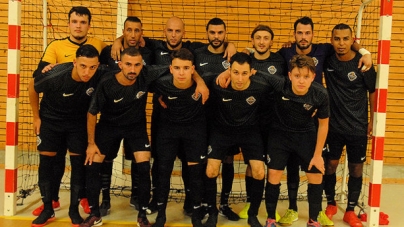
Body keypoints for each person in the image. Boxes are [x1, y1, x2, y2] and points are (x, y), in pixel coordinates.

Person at [82, 47, 208, 227]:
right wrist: (91, 143)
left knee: (143, 167)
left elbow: (184, 68)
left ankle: (142, 215)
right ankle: (94, 213)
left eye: (136, 65)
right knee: (93, 163)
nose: (132, 69)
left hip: (135, 127)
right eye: (128, 64)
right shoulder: (107, 81)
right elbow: (92, 112)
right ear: (120, 65)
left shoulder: (148, 74)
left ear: (142, 65)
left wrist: (200, 82)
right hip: (109, 126)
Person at [275, 16, 372, 226]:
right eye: (299, 33)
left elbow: (347, 44)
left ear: (313, 34)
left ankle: (318, 213)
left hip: (316, 120)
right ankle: (292, 208)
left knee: (316, 165)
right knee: (293, 167)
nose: (303, 37)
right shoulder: (285, 52)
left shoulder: (324, 50)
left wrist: (365, 52)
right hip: (289, 120)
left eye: (307, 33)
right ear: (294, 35)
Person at [30, 6, 107, 217]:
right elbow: (39, 76)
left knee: (80, 160)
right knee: (53, 161)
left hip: (79, 117)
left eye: (83, 22)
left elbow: (111, 67)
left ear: (89, 25)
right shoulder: (56, 46)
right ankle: (51, 201)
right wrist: (36, 117)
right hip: (53, 115)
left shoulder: (98, 45)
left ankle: (80, 200)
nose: (78, 26)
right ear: (69, 24)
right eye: (75, 22)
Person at [262, 54, 329, 227]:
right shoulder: (280, 84)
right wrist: (226, 73)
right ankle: (270, 219)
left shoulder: (320, 94)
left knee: (316, 176)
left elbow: (323, 126)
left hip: (306, 136)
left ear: (313, 77)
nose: (301, 81)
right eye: (297, 76)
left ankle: (313, 220)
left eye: (306, 77)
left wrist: (317, 155)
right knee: (274, 175)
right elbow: (254, 72)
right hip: (279, 136)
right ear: (290, 75)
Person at [97, 16, 153, 217]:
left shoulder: (149, 51)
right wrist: (116, 41)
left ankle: (137, 196)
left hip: (136, 119)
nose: (132, 34)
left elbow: (158, 74)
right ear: (123, 31)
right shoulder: (109, 52)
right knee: (105, 159)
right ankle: (105, 199)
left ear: (141, 33)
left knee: (139, 160)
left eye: (137, 30)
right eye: (128, 30)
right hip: (110, 120)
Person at [205, 52, 269, 227]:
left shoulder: (261, 87)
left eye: (244, 73)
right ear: (229, 71)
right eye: (235, 72)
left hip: (250, 132)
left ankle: (253, 215)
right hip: (222, 131)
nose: (239, 78)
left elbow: (281, 86)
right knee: (211, 170)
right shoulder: (217, 83)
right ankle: (212, 213)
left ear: (251, 72)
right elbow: (196, 77)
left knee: (259, 171)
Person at [152, 48, 214, 227]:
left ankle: (195, 215)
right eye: (177, 68)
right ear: (170, 69)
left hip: (194, 131)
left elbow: (227, 74)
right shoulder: (161, 83)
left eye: (186, 68)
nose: (181, 72)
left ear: (193, 69)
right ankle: (161, 216)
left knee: (196, 175)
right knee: (163, 173)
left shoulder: (204, 82)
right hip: (167, 131)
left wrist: (200, 81)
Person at [322, 23, 376, 227]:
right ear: (331, 40)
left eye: (346, 39)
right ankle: (330, 204)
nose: (341, 43)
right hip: (333, 127)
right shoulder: (327, 59)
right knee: (330, 165)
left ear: (352, 40)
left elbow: (373, 92)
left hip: (357, 127)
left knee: (356, 168)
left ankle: (351, 210)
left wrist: (373, 121)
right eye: (337, 38)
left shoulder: (364, 64)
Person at [193, 17, 240, 221]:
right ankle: (206, 203)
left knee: (228, 160)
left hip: (227, 119)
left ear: (225, 33)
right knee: (206, 162)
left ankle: (225, 204)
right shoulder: (197, 54)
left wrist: (231, 66)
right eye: (212, 33)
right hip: (202, 119)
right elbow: (188, 69)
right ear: (207, 33)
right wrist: (200, 81)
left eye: (220, 33)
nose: (216, 37)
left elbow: (246, 61)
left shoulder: (233, 55)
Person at [238, 24, 287, 221]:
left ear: (271, 42)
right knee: (253, 164)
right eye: (258, 38)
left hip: (275, 122)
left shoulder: (279, 60)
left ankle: (270, 207)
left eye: (266, 38)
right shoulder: (246, 60)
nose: (261, 41)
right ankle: (251, 202)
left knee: (273, 167)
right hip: (252, 122)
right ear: (252, 41)